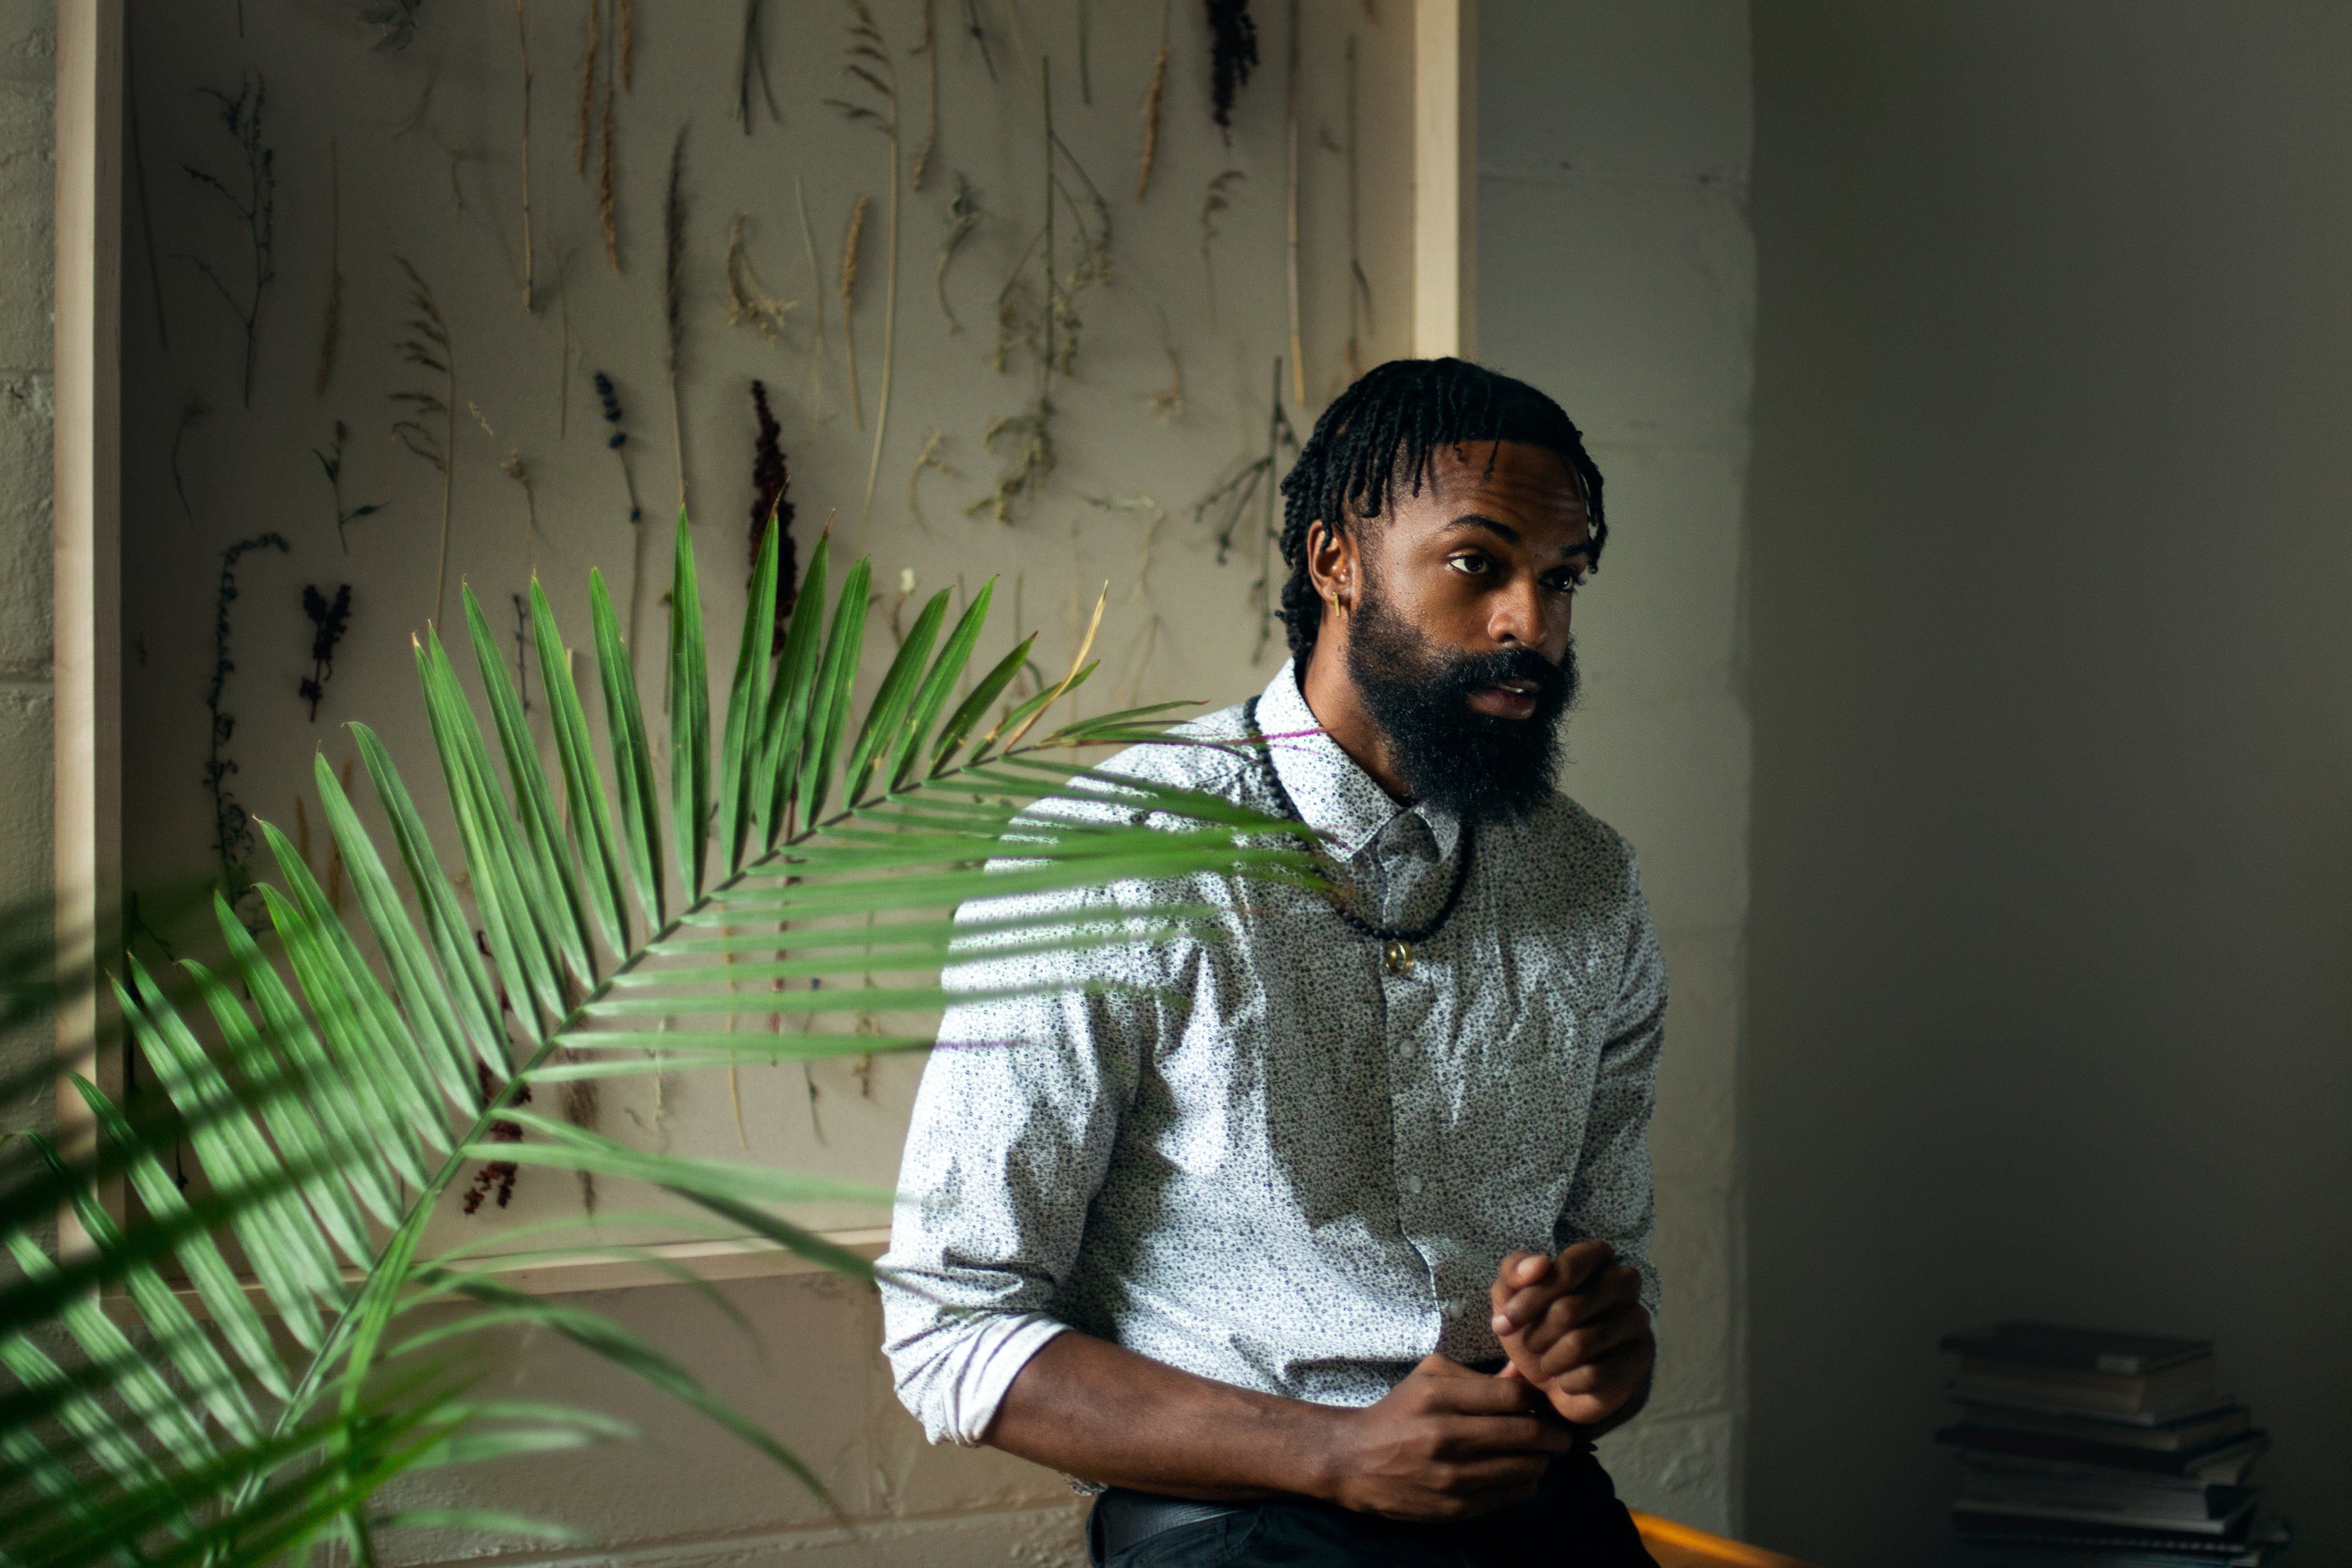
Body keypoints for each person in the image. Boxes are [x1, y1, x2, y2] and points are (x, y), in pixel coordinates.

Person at [880, 357, 1666, 1567]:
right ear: (1332, 561)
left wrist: (1601, 1356)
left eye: (1559, 578)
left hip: (1540, 1517)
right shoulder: (1111, 853)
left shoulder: (1588, 882)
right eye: (1478, 564)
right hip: (1236, 1532)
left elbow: (1608, 1280)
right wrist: (1330, 1451)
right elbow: (949, 1327)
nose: (1531, 625)